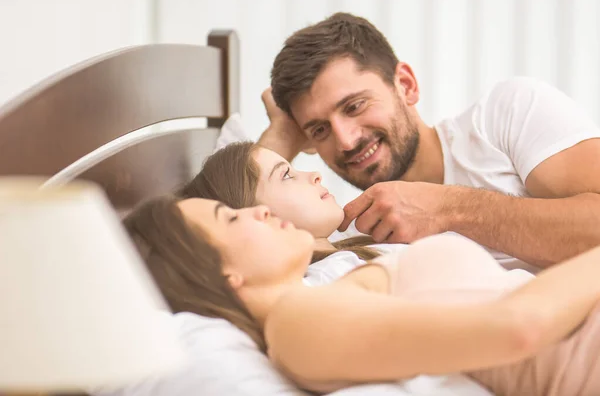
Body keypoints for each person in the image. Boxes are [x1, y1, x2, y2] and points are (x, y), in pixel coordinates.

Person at [123, 195, 600, 396]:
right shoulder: (298, 327)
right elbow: (520, 327)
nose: (260, 209)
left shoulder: (333, 287)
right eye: (231, 216)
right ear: (222, 275)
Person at [258, 12, 600, 271]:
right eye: (319, 129)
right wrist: (282, 135)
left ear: (405, 85)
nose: (345, 141)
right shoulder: (354, 246)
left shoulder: (505, 114)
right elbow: (224, 246)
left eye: (354, 106)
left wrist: (449, 207)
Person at [179, 141, 407, 285]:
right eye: (286, 175)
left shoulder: (355, 244)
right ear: (258, 215)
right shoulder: (327, 281)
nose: (315, 174)